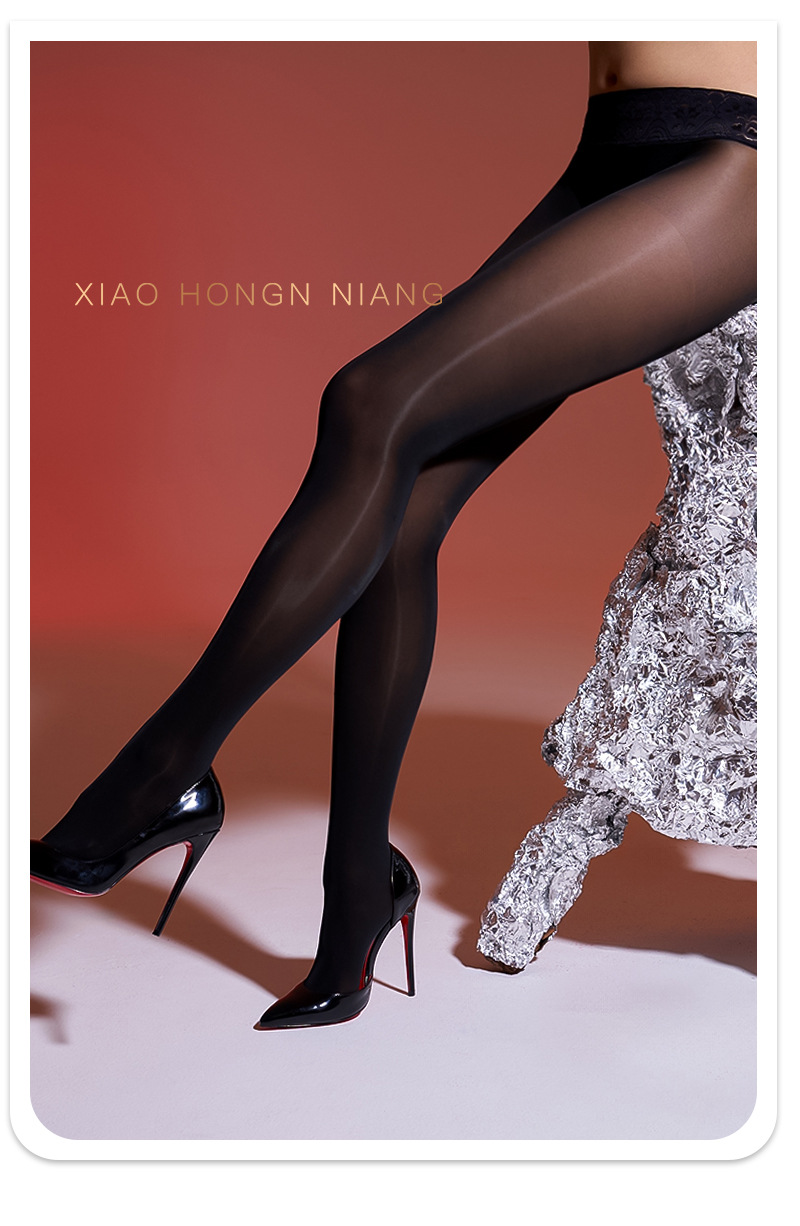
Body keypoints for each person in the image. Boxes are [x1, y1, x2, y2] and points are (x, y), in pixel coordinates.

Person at [31, 41, 757, 1029]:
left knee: (372, 402)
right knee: (402, 503)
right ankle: (356, 893)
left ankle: (162, 773)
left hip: (741, 161)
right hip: (613, 149)